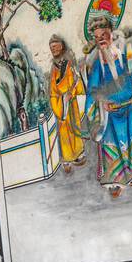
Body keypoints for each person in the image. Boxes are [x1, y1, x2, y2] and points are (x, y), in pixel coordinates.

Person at [83, 16, 132, 199]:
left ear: (111, 34)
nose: (102, 39)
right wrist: (102, 104)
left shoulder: (124, 56)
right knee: (112, 145)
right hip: (110, 115)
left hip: (128, 109)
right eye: (97, 37)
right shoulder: (97, 65)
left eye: (104, 34)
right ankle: (115, 179)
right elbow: (92, 92)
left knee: (131, 141)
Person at [47, 34, 86, 173]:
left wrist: (72, 92)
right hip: (62, 104)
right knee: (64, 133)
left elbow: (76, 80)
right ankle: (68, 158)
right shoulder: (53, 69)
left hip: (72, 101)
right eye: (52, 48)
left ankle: (79, 153)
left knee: (75, 127)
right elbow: (52, 91)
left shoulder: (70, 64)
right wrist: (60, 100)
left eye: (56, 46)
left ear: (62, 46)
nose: (54, 50)